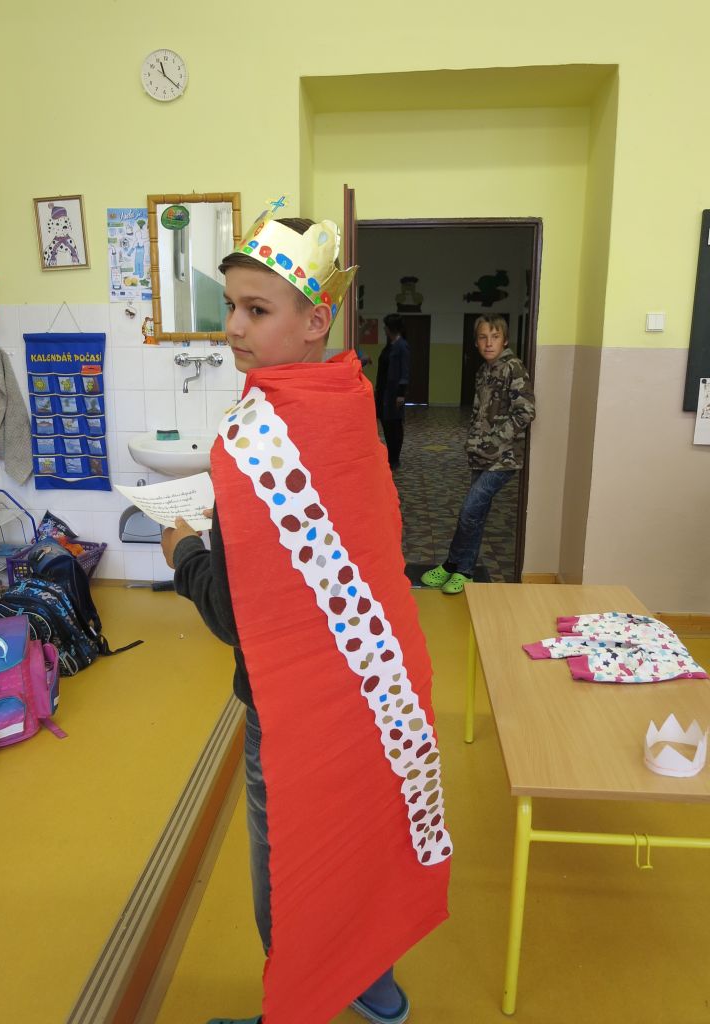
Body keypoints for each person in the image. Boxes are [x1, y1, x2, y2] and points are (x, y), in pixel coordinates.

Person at [161, 201, 450, 1024]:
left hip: (295, 704)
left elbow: (239, 617)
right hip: (380, 686)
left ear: (316, 319)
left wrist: (184, 551)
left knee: (292, 865)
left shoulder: (257, 438)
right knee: (366, 841)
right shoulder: (347, 395)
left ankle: (302, 1002)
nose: (234, 328)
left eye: (257, 310)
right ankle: (375, 988)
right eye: (231, 307)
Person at [421, 315, 536, 595]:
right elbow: (478, 413)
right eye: (483, 337)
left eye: (495, 337)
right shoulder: (484, 371)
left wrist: (495, 442)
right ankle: (465, 571)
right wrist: (473, 443)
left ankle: (454, 565)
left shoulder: (513, 368)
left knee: (469, 511)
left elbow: (526, 411)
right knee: (477, 515)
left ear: (505, 340)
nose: (488, 343)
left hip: (504, 459)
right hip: (480, 455)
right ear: (476, 342)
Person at [374, 313, 409, 470]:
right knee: (387, 424)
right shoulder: (390, 345)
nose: (384, 329)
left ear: (391, 328)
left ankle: (395, 459)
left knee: (395, 425)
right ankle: (391, 456)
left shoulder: (402, 346)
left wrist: (401, 393)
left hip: (394, 394)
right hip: (384, 392)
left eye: (386, 327)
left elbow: (405, 372)